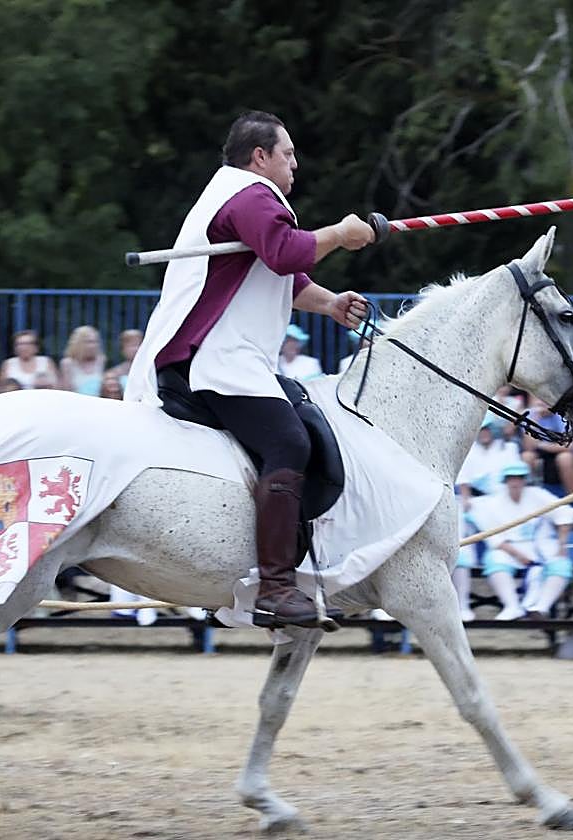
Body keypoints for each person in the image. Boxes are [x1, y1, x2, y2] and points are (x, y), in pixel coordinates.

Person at [124, 110, 374, 627]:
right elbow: (285, 253)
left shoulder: (240, 197)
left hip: (227, 356)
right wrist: (341, 233)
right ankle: (276, 587)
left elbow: (285, 277)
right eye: (288, 154)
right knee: (289, 442)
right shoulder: (251, 195)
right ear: (259, 157)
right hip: (214, 359)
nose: (295, 165)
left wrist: (329, 305)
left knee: (302, 416)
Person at [467, 463, 573, 620]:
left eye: (519, 478)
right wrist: (518, 554)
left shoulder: (538, 494)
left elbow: (565, 514)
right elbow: (493, 537)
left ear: (524, 480)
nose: (515, 482)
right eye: (511, 479)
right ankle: (512, 606)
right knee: (494, 560)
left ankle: (541, 607)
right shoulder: (493, 502)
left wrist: (562, 543)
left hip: (541, 544)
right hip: (509, 548)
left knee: (562, 564)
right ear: (505, 481)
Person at [456, 416, 522, 508]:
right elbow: (463, 479)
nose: (484, 434)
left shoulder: (510, 448)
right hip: (478, 500)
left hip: (506, 498)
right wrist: (466, 500)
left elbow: (517, 476)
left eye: (486, 430)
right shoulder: (469, 451)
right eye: (480, 431)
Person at [59, 325, 106, 396]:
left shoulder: (100, 360)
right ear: (78, 343)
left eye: (96, 342)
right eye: (89, 342)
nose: (93, 345)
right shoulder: (67, 363)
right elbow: (66, 392)